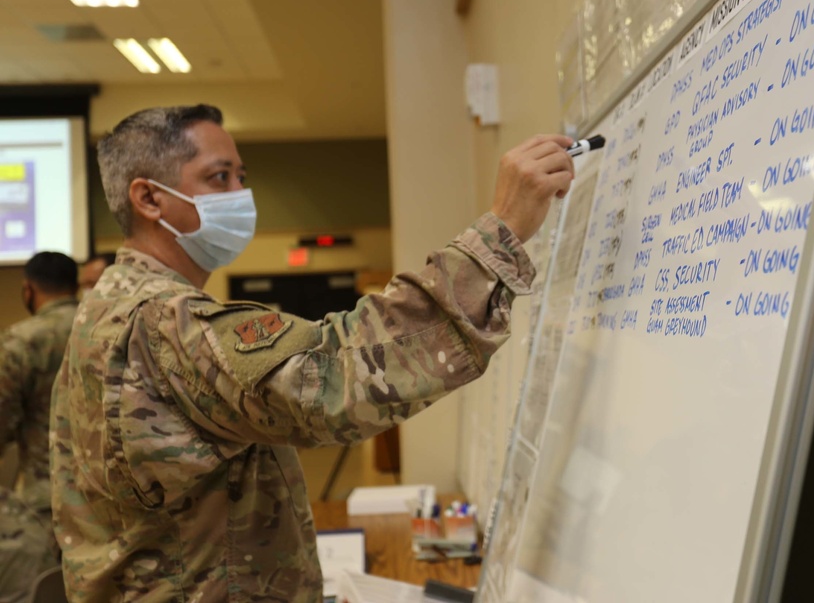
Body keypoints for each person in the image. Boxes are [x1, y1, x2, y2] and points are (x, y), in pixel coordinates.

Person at [50, 104, 574, 601]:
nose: (240, 193)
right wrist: (500, 234)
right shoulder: (163, 321)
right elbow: (334, 376)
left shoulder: (109, 305)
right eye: (218, 178)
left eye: (241, 176)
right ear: (148, 199)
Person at [0, 252, 79, 598]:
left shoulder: (20, 340)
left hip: (44, 507)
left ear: (28, 289)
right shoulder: (105, 329)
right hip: (112, 506)